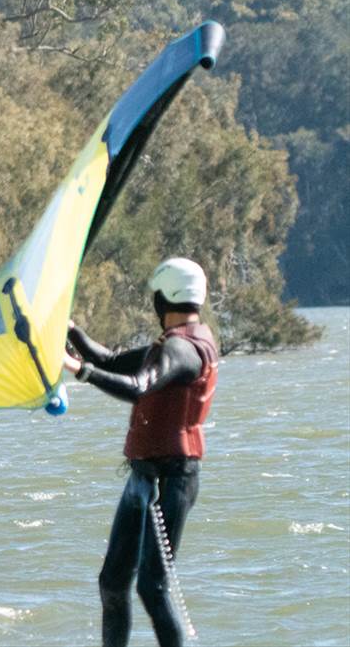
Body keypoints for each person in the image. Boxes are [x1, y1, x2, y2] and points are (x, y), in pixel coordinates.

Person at [63, 257, 218, 647]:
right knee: (113, 582)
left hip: (173, 479)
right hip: (142, 478)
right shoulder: (175, 344)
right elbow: (111, 360)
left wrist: (76, 370)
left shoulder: (183, 350)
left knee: (152, 586)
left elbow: (136, 386)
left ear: (162, 298)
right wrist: (70, 332)